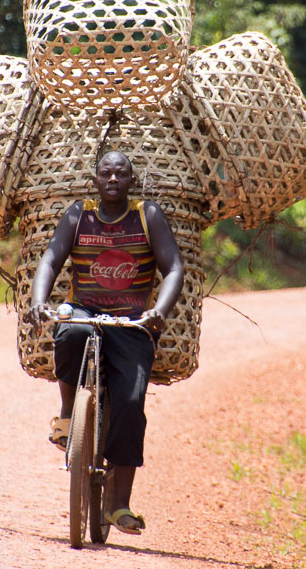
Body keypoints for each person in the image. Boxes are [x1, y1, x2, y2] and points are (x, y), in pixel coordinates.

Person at [27, 150, 184, 536]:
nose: (113, 179)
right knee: (70, 332)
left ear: (132, 181)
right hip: (85, 311)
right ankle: (68, 416)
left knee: (131, 404)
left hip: (131, 324)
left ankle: (119, 504)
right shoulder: (78, 214)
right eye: (106, 173)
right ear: (95, 180)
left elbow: (174, 268)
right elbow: (50, 259)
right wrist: (38, 301)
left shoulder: (148, 216)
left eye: (121, 173)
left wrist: (159, 311)